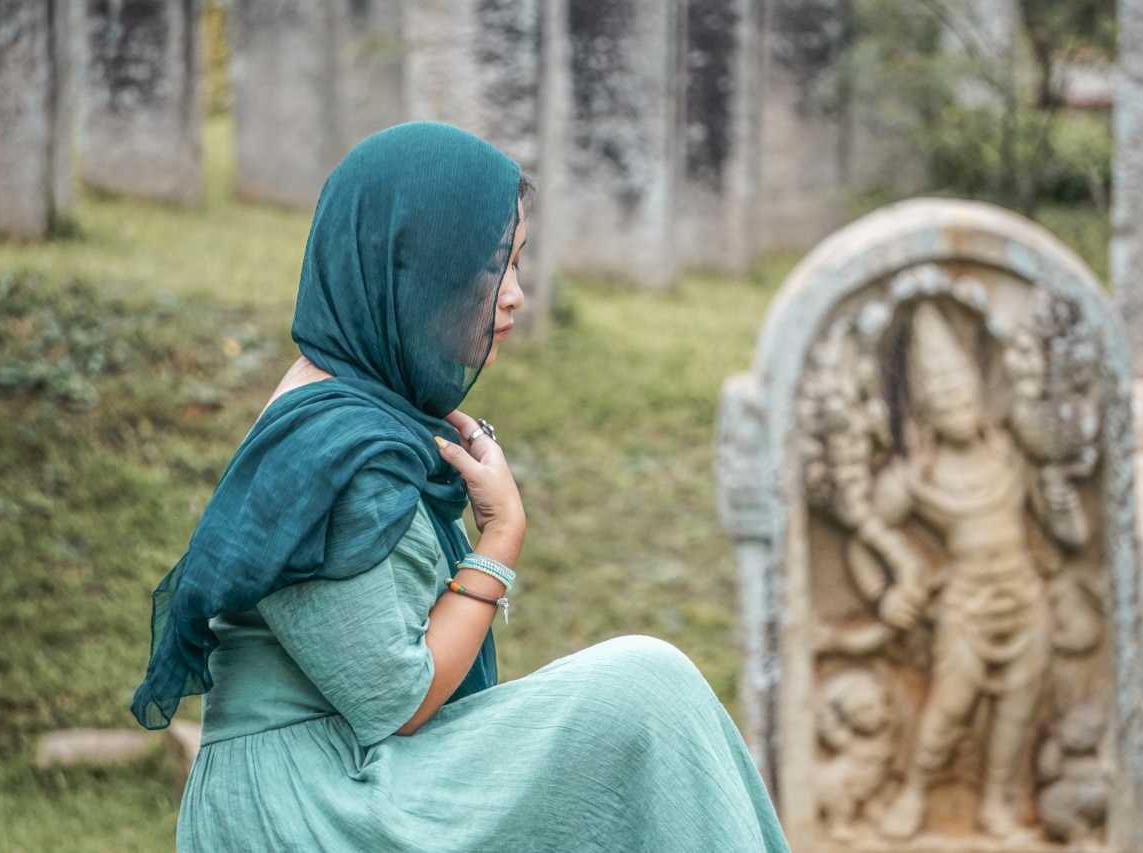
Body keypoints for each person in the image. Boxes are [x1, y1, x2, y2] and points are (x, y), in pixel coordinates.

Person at [129, 121, 790, 852]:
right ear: (417, 269)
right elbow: (398, 700)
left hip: (333, 779)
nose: (515, 297)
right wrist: (500, 539)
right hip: (302, 806)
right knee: (647, 690)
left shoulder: (348, 409)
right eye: (492, 267)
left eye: (518, 264)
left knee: (651, 693)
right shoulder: (325, 450)